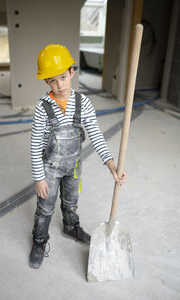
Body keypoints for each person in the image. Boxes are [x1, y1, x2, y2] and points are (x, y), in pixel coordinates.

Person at [29, 44, 126, 269]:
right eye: (52, 80)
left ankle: (71, 226)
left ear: (72, 72)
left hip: (73, 165)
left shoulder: (83, 103)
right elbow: (35, 146)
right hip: (50, 168)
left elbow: (96, 136)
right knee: (45, 207)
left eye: (63, 77)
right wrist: (39, 177)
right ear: (46, 82)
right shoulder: (43, 107)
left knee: (71, 202)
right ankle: (39, 240)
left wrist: (111, 165)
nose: (59, 85)